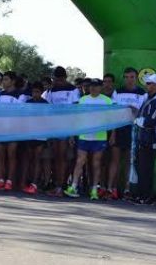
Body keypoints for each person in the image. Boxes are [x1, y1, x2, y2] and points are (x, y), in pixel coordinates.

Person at [64, 79, 111, 200]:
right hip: (84, 136)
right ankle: (73, 186)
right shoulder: (83, 100)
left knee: (96, 164)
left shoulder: (107, 101)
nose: (93, 88)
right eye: (91, 86)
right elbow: (76, 118)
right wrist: (72, 134)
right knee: (80, 161)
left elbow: (113, 119)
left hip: (100, 137)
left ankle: (94, 189)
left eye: (96, 86)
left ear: (101, 87)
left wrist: (113, 135)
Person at [108, 67, 146, 200]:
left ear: (136, 78)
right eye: (126, 77)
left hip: (134, 131)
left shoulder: (142, 93)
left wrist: (134, 110)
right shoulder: (117, 92)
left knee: (130, 162)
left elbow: (143, 113)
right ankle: (111, 189)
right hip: (118, 129)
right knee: (115, 161)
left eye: (132, 77)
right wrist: (112, 134)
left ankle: (127, 190)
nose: (129, 80)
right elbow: (113, 114)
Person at [43, 66, 80, 196]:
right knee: (56, 157)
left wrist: (72, 132)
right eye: (55, 79)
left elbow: (75, 111)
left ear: (64, 77)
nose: (57, 81)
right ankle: (58, 184)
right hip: (54, 127)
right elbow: (47, 109)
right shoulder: (51, 91)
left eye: (59, 79)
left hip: (68, 127)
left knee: (65, 157)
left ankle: (62, 185)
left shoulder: (73, 90)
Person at [134, 73, 156, 204]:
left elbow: (151, 122)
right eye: (146, 83)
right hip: (142, 138)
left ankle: (146, 196)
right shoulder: (148, 98)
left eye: (149, 83)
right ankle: (141, 195)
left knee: (147, 168)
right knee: (141, 167)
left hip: (152, 139)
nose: (146, 85)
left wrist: (135, 120)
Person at [0, 71, 21, 191]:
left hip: (13, 130)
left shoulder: (20, 95)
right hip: (0, 129)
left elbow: (20, 112)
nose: (3, 82)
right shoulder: (0, 94)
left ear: (13, 81)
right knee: (0, 156)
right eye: (3, 80)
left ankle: (9, 181)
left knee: (11, 156)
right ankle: (1, 180)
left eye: (6, 80)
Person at [22, 81, 48, 194]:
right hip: (29, 133)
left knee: (37, 159)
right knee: (29, 158)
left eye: (37, 92)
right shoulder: (28, 102)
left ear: (41, 92)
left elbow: (48, 120)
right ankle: (26, 181)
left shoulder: (46, 104)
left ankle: (35, 183)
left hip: (41, 135)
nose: (35, 94)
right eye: (33, 92)